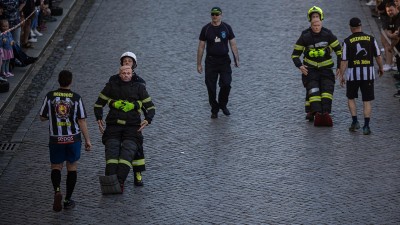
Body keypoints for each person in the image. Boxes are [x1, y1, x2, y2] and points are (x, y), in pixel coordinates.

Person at [94, 65, 155, 193]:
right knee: (112, 151)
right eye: (123, 73)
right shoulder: (111, 85)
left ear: (132, 74)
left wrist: (147, 120)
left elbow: (150, 107)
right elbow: (98, 104)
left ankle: (119, 182)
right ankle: (111, 182)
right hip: (113, 125)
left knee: (128, 152)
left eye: (128, 73)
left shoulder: (139, 87)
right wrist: (99, 118)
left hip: (132, 126)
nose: (126, 75)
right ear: (119, 74)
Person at [39, 70, 92, 212]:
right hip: (72, 139)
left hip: (56, 139)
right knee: (72, 167)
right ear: (71, 81)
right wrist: (87, 140)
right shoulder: (76, 98)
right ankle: (68, 199)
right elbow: (82, 120)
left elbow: (42, 117)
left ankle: (57, 190)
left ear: (58, 81)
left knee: (56, 166)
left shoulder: (50, 96)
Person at [291, 6, 342, 127]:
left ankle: (325, 113)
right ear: (310, 22)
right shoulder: (305, 36)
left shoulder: (328, 34)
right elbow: (295, 55)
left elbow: (339, 51)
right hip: (311, 70)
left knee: (327, 92)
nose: (316, 26)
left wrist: (339, 66)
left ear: (321, 20)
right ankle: (317, 113)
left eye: (317, 20)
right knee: (313, 92)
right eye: (314, 22)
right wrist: (300, 66)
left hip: (326, 70)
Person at [337, 18, 384, 135]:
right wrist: (381, 68)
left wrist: (341, 75)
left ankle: (355, 121)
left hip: (353, 75)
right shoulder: (371, 39)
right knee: (367, 100)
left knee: (351, 97)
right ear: (360, 26)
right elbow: (378, 56)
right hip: (368, 74)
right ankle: (366, 126)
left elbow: (344, 60)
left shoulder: (347, 41)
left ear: (350, 27)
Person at [108, 51, 147, 187]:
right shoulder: (113, 80)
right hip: (116, 119)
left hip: (133, 120)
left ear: (134, 64)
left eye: (129, 61)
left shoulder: (140, 82)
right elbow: (108, 97)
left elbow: (144, 101)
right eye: (125, 61)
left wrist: (141, 112)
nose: (127, 63)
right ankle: (114, 176)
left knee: (137, 148)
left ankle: (138, 174)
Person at [197, 6, 239, 119]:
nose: (215, 16)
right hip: (210, 61)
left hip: (224, 61)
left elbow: (233, 44)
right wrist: (199, 64)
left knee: (226, 84)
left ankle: (223, 104)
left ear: (221, 15)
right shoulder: (206, 29)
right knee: (211, 87)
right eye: (213, 14)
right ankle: (214, 109)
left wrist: (236, 58)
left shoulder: (227, 28)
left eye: (217, 14)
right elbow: (201, 47)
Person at [301, 6, 325, 122]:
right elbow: (299, 49)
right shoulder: (305, 34)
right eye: (313, 17)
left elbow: (331, 46)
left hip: (323, 66)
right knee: (310, 89)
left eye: (317, 16)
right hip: (309, 67)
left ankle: (321, 110)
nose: (315, 18)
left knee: (323, 88)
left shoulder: (326, 33)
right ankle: (310, 110)